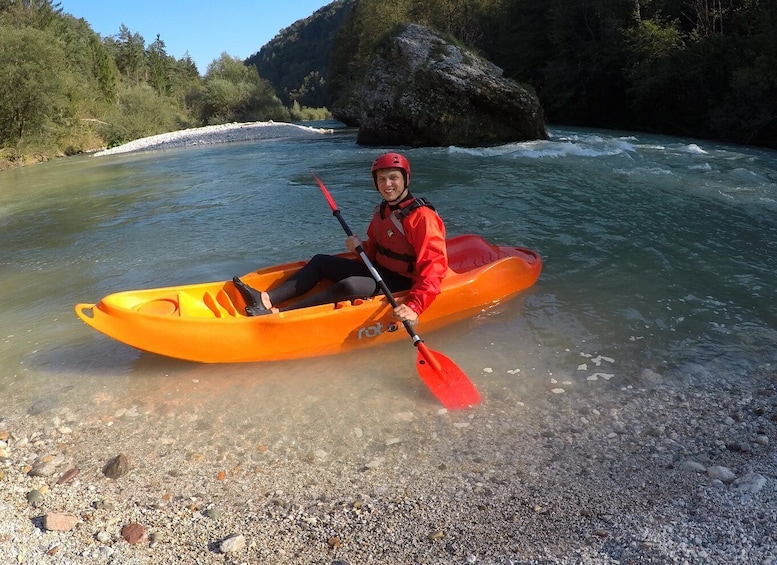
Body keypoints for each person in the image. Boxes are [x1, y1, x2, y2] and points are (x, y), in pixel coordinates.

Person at [232, 152, 448, 324]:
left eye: (393, 178)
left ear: (406, 179)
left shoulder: (422, 217)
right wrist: (359, 248)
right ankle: (266, 299)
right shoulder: (382, 210)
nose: (387, 184)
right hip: (378, 269)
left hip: (402, 280)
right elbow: (376, 247)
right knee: (320, 261)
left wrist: (414, 306)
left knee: (351, 286)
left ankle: (281, 314)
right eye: (381, 179)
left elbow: (435, 266)